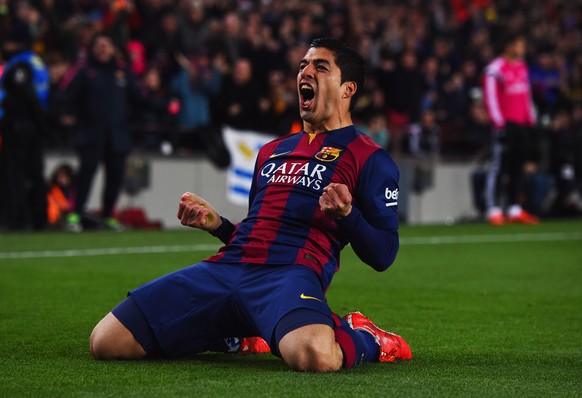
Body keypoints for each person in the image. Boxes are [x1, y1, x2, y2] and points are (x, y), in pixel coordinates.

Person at [90, 38, 411, 372]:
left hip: (289, 275)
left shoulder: (370, 158)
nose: (306, 71)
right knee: (107, 341)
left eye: (320, 66)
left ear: (347, 89)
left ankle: (367, 338)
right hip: (228, 267)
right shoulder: (271, 151)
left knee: (317, 357)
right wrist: (219, 225)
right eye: (303, 65)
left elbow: (384, 254)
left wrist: (348, 215)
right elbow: (260, 232)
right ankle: (242, 332)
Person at [60, 33, 172, 232]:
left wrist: (165, 106)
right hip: (90, 134)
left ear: (113, 49)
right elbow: (65, 96)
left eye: (107, 45)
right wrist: (66, 117)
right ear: (93, 49)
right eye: (99, 45)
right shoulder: (84, 71)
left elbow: (141, 99)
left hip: (117, 135)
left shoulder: (123, 72)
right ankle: (74, 214)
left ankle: (107, 216)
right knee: (85, 175)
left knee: (115, 178)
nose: (103, 49)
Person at [483, 32, 540, 225]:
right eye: (519, 44)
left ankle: (515, 208)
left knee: (518, 167)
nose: (523, 48)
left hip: (522, 125)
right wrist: (499, 123)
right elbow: (490, 99)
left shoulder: (522, 67)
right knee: (499, 167)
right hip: (505, 125)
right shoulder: (494, 69)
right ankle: (493, 209)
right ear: (509, 46)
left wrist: (531, 119)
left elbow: (527, 95)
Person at [0, 25, 50, 231]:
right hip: (34, 127)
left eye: (9, 42)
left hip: (19, 127)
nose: (5, 46)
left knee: (15, 174)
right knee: (36, 174)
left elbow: (26, 96)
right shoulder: (38, 63)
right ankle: (39, 218)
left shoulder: (20, 65)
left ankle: (18, 219)